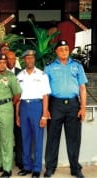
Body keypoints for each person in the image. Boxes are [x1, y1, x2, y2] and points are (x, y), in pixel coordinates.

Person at [44, 40, 87, 178]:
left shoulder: (77, 65)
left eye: (66, 49)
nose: (64, 51)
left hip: (73, 105)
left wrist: (83, 108)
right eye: (61, 49)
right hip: (55, 104)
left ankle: (75, 168)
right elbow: (45, 91)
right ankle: (50, 168)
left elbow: (82, 88)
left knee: (74, 139)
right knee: (52, 138)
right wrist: (46, 110)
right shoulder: (49, 67)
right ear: (56, 52)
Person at [15, 50, 51, 178]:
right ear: (23, 60)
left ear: (34, 60)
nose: (30, 60)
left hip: (37, 106)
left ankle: (36, 168)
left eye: (32, 58)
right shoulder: (19, 76)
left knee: (38, 139)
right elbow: (18, 98)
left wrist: (44, 115)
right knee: (25, 138)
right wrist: (17, 115)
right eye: (27, 58)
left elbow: (45, 95)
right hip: (24, 107)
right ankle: (27, 166)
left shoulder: (42, 75)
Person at [0, 54, 21, 178]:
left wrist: (9, 104)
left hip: (5, 109)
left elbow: (17, 94)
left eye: (4, 62)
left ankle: (7, 168)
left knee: (6, 139)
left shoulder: (11, 76)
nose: (2, 64)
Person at [5, 50, 23, 170]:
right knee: (6, 136)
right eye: (8, 59)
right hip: (5, 109)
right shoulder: (1, 73)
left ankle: (20, 160)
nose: (11, 61)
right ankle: (5, 161)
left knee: (19, 135)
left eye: (13, 59)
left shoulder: (21, 73)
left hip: (19, 108)